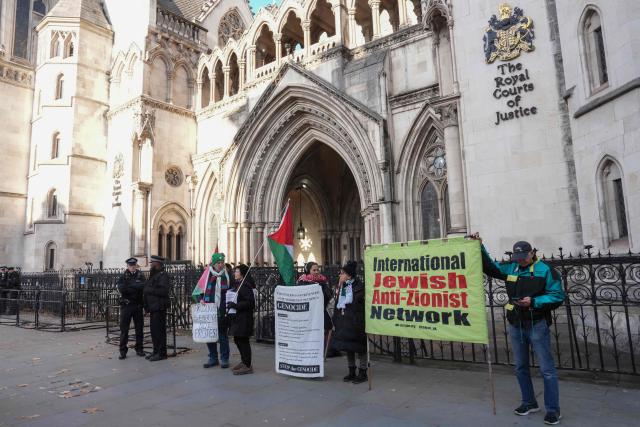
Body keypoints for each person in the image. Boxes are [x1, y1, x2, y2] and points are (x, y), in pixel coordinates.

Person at [474, 234, 565, 425]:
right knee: (521, 367)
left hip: (537, 324)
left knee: (547, 369)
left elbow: (557, 296)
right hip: (516, 324)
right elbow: (491, 267)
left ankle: (553, 410)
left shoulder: (546, 270)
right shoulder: (512, 267)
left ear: (532, 253)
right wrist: (479, 246)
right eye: (518, 258)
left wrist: (534, 301)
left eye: (524, 256)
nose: (521, 261)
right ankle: (529, 402)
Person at [332, 261, 367, 384]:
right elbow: (338, 305)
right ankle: (351, 370)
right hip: (344, 322)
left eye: (342, 273)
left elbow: (357, 303)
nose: (340, 276)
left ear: (349, 276)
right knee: (348, 347)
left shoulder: (359, 287)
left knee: (360, 347)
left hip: (356, 322)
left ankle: (363, 371)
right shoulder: (342, 287)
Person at [200, 252, 230, 369]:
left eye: (222, 262)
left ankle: (224, 358)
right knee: (210, 335)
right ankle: (213, 357)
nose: (221, 265)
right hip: (208, 309)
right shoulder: (206, 275)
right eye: (218, 262)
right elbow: (199, 289)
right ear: (213, 263)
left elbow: (232, 291)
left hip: (222, 310)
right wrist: (201, 299)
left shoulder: (227, 275)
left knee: (222, 335)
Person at [296, 262, 335, 355]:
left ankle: (323, 351)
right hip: (309, 312)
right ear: (308, 271)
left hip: (321, 310)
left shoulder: (323, 281)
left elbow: (328, 295)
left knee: (327, 327)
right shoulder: (303, 281)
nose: (317, 272)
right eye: (314, 270)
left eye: (318, 270)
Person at [227, 263, 256, 375]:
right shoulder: (239, 284)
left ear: (242, 274)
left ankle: (247, 365)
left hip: (244, 318)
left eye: (237, 271)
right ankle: (244, 361)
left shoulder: (245, 285)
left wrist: (235, 305)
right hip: (239, 317)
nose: (235, 273)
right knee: (237, 339)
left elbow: (250, 302)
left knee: (243, 340)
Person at [143, 255, 171, 362]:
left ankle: (161, 353)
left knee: (159, 331)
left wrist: (149, 290)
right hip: (153, 308)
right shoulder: (154, 275)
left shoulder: (163, 276)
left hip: (159, 307)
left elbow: (163, 291)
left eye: (153, 264)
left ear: (158, 264)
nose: (151, 266)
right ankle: (155, 351)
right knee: (154, 331)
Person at [117, 257, 146, 359]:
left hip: (138, 305)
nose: (132, 267)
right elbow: (122, 289)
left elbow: (143, 286)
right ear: (127, 266)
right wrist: (135, 286)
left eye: (134, 265)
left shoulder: (141, 275)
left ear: (136, 265)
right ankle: (123, 351)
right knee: (124, 330)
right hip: (127, 306)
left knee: (139, 329)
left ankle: (139, 348)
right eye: (130, 265)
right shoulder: (123, 276)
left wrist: (130, 286)